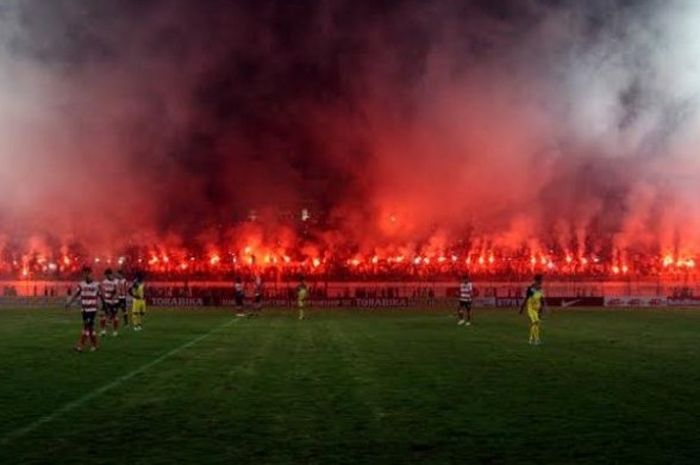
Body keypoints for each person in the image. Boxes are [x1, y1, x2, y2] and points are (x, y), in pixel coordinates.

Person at [66, 266, 101, 352]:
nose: (86, 275)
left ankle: (80, 346)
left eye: (87, 273)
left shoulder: (96, 285)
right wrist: (69, 302)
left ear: (91, 274)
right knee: (90, 328)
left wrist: (103, 306)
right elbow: (76, 294)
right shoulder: (81, 284)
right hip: (84, 310)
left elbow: (101, 295)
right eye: (84, 273)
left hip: (92, 310)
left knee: (86, 327)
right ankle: (95, 346)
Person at [519, 274, 546, 345]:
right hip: (531, 308)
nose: (542, 281)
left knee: (536, 324)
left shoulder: (540, 289)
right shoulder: (531, 288)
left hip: (537, 308)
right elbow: (526, 298)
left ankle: (531, 339)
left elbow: (542, 299)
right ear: (537, 280)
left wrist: (542, 309)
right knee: (536, 322)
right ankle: (536, 340)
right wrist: (522, 307)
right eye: (541, 280)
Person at [99, 269, 119, 336]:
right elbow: (102, 291)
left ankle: (115, 331)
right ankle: (103, 331)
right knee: (102, 316)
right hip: (106, 301)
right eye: (106, 275)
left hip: (114, 302)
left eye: (108, 275)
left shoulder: (116, 281)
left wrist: (113, 299)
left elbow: (117, 291)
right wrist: (103, 299)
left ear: (111, 274)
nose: (107, 276)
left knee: (114, 317)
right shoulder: (104, 282)